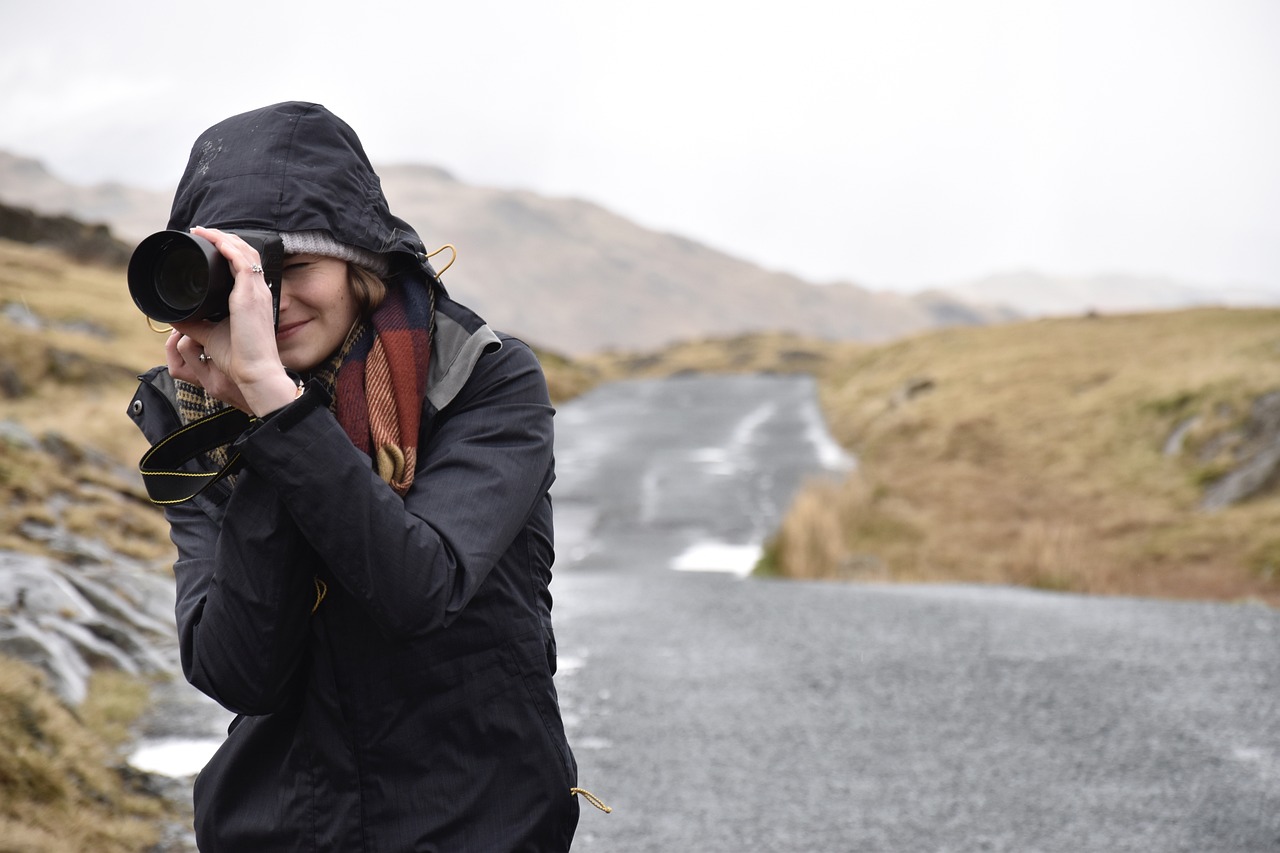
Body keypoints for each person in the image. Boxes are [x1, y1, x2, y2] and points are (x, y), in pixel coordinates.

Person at [127, 102, 581, 851]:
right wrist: (256, 423)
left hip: (475, 821)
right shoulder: (200, 416)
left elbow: (417, 586)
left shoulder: (478, 380)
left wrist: (276, 412)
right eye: (239, 281)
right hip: (282, 829)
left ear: (359, 261)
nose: (269, 304)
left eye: (292, 267)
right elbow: (241, 671)